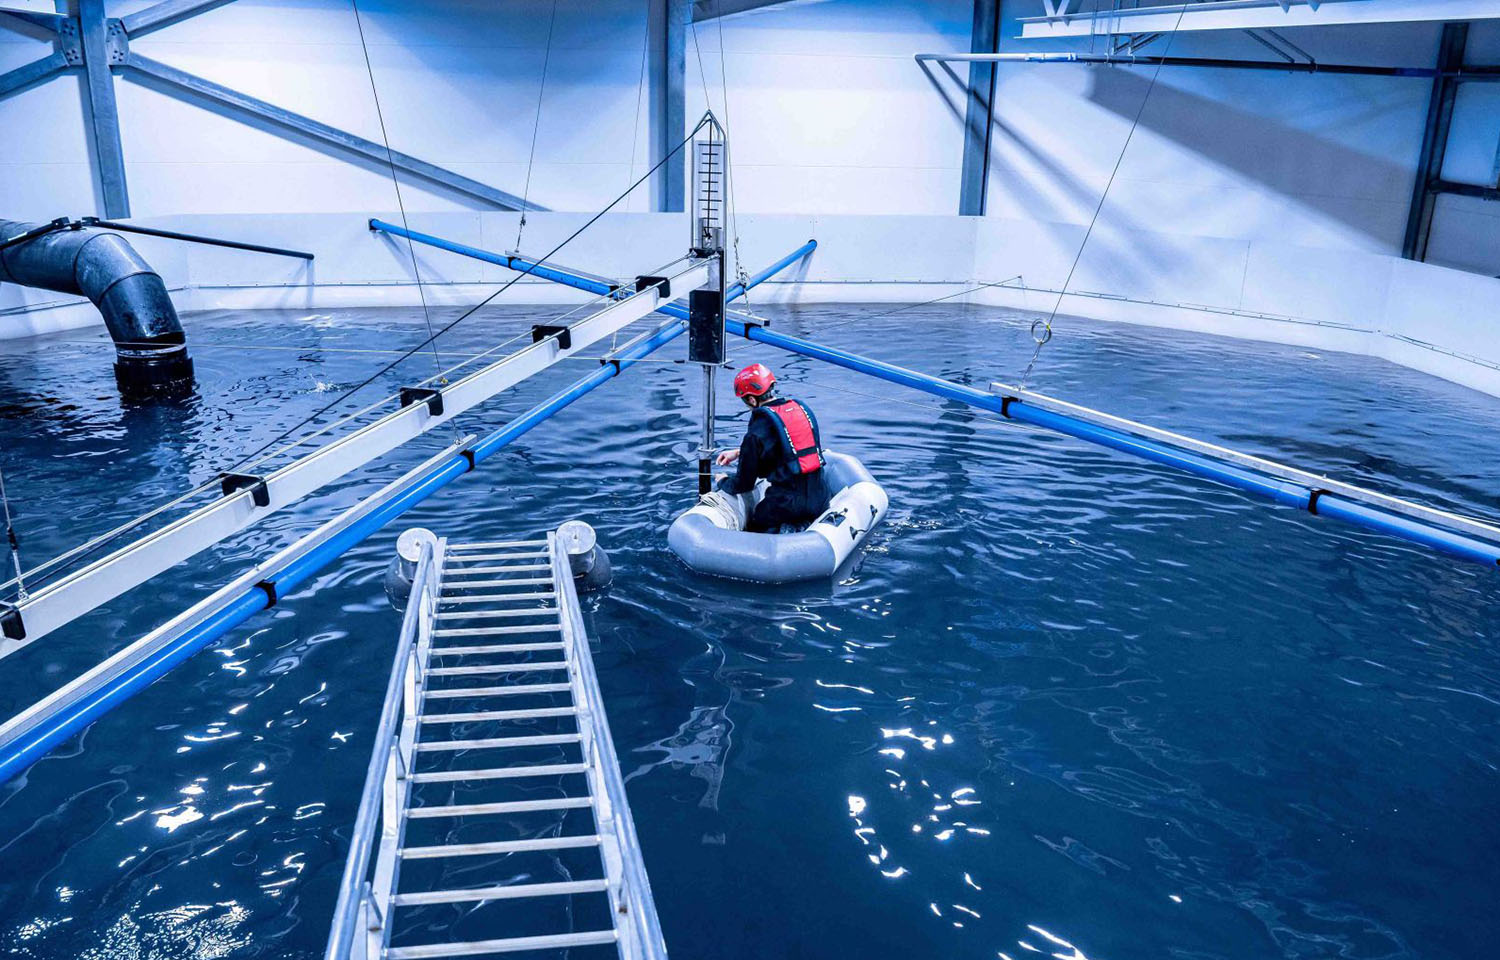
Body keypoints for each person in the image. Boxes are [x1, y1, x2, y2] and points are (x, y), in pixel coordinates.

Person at [714, 362, 831, 533]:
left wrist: (723, 480)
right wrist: (740, 453)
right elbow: (791, 450)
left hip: (786, 505)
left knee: (755, 526)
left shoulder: (757, 430)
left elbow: (743, 484)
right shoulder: (799, 410)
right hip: (819, 499)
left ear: (752, 399)